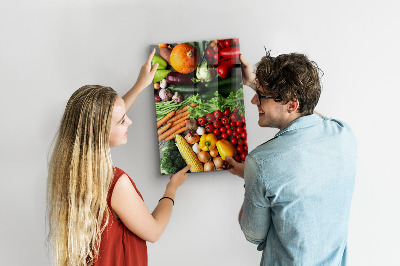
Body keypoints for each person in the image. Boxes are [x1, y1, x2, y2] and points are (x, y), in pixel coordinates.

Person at [46, 49, 191, 266]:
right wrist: (172, 188)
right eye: (122, 121)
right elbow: (154, 231)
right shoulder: (115, 183)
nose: (129, 122)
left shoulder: (69, 170)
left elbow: (104, 119)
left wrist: (140, 85)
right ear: (101, 132)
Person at [226, 52, 357, 265]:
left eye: (261, 96)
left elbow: (253, 234)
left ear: (292, 105)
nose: (253, 100)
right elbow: (311, 116)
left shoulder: (260, 163)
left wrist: (252, 177)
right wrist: (253, 82)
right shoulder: (344, 134)